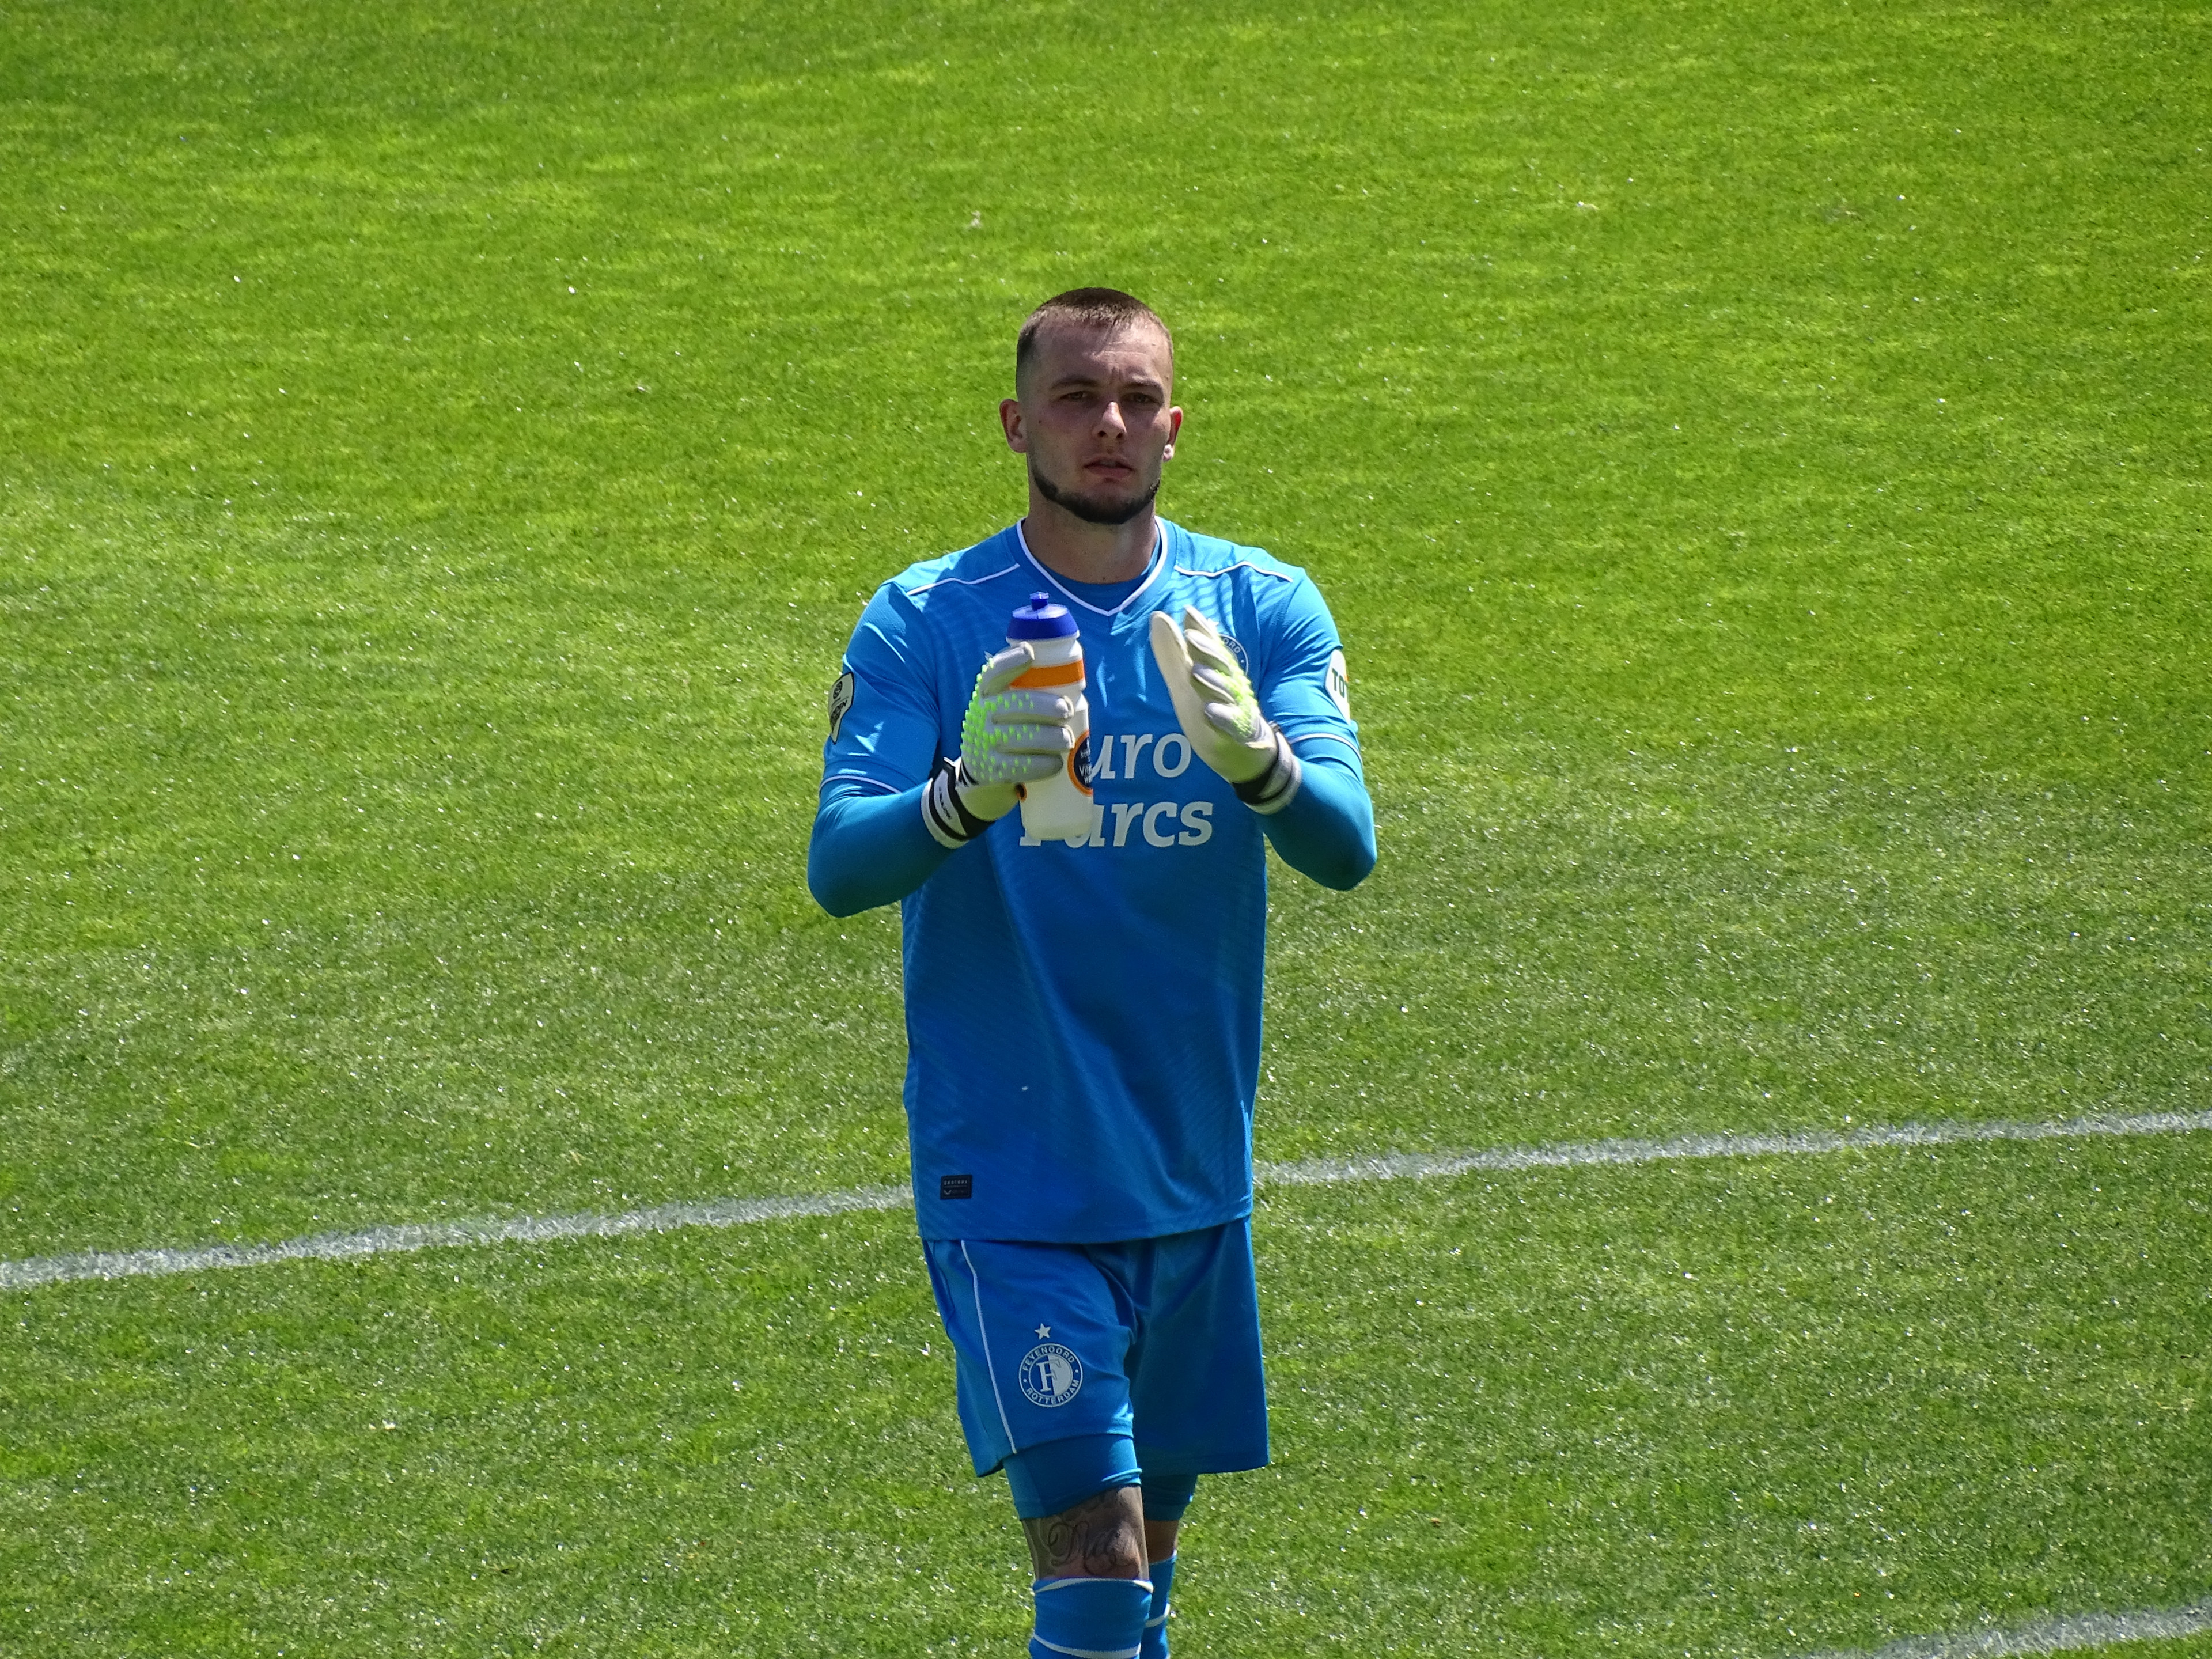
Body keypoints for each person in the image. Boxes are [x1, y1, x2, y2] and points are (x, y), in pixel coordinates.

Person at [806, 287, 1375, 1659]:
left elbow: (1345, 848)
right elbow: (839, 863)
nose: (1107, 426)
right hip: (1013, 1175)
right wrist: (960, 796)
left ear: (1176, 426)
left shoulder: (1260, 608)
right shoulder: (931, 620)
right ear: (1018, 425)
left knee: (1150, 1571)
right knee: (1099, 1553)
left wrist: (1264, 766)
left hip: (1188, 1170)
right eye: (1075, 399)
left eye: (1133, 400)